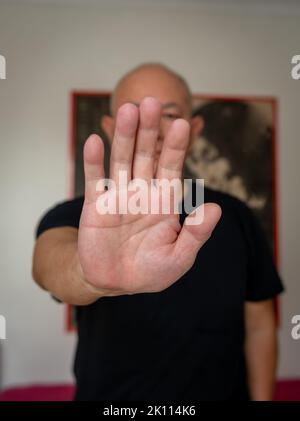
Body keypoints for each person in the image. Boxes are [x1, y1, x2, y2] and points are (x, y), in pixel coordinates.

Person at [32, 63, 284, 401]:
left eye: (169, 115)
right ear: (110, 127)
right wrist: (86, 275)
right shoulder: (77, 214)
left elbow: (258, 326)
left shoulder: (233, 216)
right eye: (132, 114)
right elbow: (47, 263)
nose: (153, 127)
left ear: (194, 129)